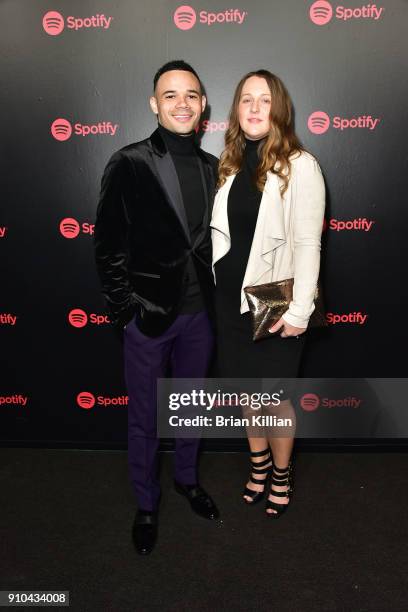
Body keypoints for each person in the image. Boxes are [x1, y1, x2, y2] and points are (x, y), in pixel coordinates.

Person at [94, 60, 219, 555]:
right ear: (154, 104)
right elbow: (107, 246)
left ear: (204, 104)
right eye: (171, 95)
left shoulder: (214, 168)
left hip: (201, 318)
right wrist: (126, 311)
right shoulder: (129, 162)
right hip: (148, 318)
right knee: (146, 416)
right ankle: (146, 503)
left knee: (190, 412)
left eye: (191, 94)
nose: (182, 103)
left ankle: (186, 480)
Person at [211, 70, 325, 517]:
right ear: (237, 110)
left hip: (275, 300)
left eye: (264, 100)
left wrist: (300, 310)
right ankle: (257, 465)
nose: (255, 108)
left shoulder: (301, 164)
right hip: (231, 298)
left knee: (274, 397)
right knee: (246, 394)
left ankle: (280, 471)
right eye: (246, 100)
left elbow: (307, 244)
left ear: (279, 109)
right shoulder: (231, 164)